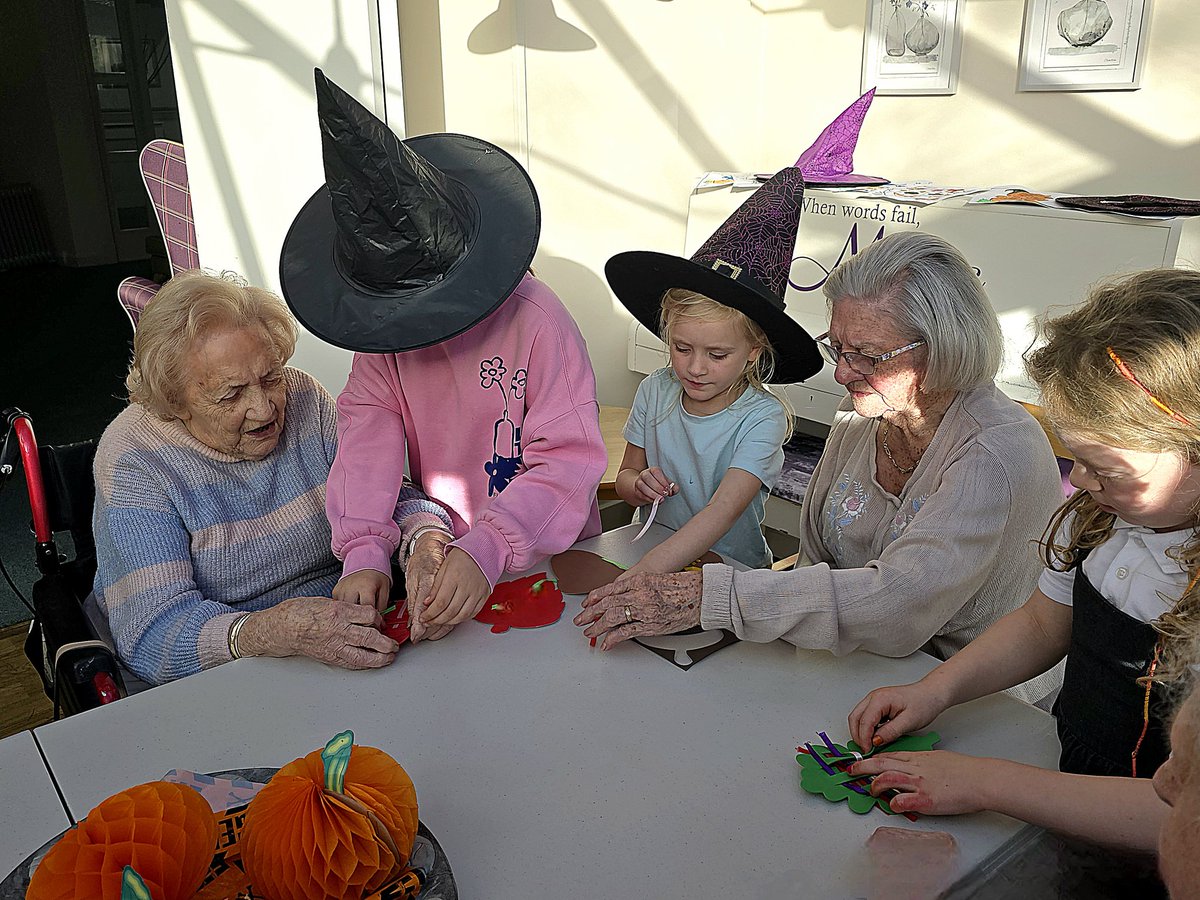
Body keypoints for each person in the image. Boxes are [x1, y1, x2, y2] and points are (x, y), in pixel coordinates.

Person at [578, 232, 1064, 704]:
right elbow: (816, 557)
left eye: (868, 356)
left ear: (945, 348)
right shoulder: (863, 412)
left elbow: (897, 607)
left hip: (967, 695)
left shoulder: (995, 454)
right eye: (837, 349)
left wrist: (712, 597)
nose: (841, 373)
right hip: (850, 666)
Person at [847, 268, 1200, 853]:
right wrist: (936, 689)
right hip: (1067, 781)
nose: (1080, 484)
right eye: (1075, 460)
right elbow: (1043, 623)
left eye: (1108, 472)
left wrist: (988, 782)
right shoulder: (1108, 519)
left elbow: (1183, 819)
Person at [280, 70, 606, 642]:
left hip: (543, 554)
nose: (421, 336)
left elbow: (569, 463)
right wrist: (364, 547)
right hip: (446, 559)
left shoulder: (540, 323)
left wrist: (492, 544)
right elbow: (366, 439)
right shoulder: (384, 338)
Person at [92, 271, 452, 685]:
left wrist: (425, 541)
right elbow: (152, 636)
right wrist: (267, 631)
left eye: (270, 378)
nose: (265, 410)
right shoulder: (134, 458)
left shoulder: (305, 399)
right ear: (174, 401)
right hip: (236, 668)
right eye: (231, 394)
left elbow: (385, 494)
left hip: (353, 634)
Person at [603, 167, 822, 573]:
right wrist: (637, 486)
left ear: (754, 351)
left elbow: (723, 509)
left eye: (717, 355)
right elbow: (626, 477)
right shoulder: (656, 389)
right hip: (650, 548)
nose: (695, 368)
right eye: (681, 348)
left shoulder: (762, 417)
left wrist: (645, 573)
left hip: (731, 572)